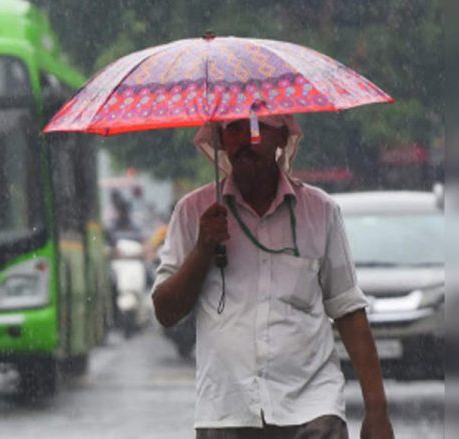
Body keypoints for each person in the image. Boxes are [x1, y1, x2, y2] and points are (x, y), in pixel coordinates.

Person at [151, 115, 394, 438]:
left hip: (313, 410)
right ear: (221, 141)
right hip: (228, 412)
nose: (244, 139)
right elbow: (166, 311)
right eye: (232, 129)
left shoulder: (320, 211)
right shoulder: (193, 211)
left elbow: (348, 311)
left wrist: (376, 410)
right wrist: (203, 248)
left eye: (256, 127)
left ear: (282, 136)